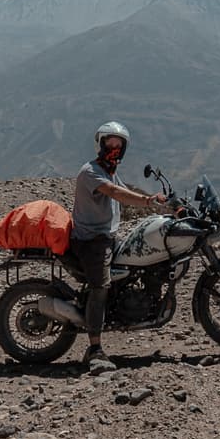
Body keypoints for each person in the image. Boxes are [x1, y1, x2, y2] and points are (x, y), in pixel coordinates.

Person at [72, 120, 166, 363]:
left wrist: (164, 206)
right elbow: (116, 193)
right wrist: (147, 202)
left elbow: (124, 193)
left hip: (109, 236)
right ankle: (94, 349)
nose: (114, 147)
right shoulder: (91, 171)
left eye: (118, 144)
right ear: (100, 144)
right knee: (100, 285)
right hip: (92, 240)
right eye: (109, 143)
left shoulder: (110, 171)